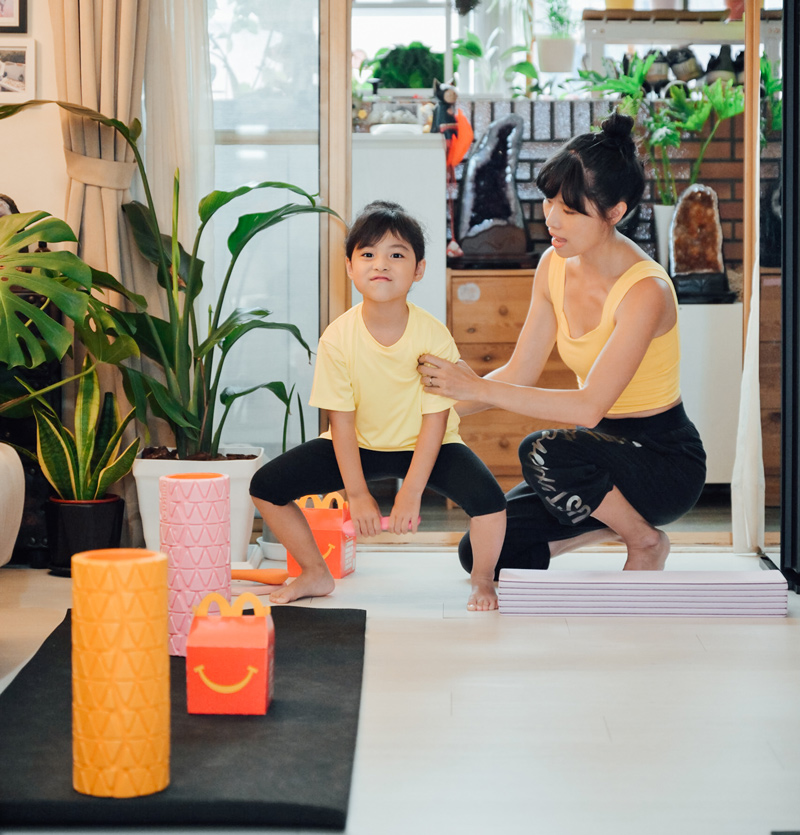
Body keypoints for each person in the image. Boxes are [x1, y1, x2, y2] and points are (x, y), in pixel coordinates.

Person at [417, 112, 706, 576]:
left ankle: (643, 539)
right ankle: (605, 525)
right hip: (588, 456)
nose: (552, 217)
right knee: (482, 553)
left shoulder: (644, 290)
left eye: (570, 210)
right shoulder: (553, 263)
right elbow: (519, 372)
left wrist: (476, 387)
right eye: (550, 200)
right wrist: (427, 418)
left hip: (660, 461)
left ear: (616, 212)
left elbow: (589, 408)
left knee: (543, 450)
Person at [250, 200, 507, 609]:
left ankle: (483, 580)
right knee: (265, 487)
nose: (380, 264)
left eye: (396, 254)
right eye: (367, 254)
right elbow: (342, 422)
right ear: (350, 267)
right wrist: (357, 493)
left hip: (427, 446)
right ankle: (315, 572)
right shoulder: (337, 338)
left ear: (419, 269)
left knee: (491, 504)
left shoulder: (433, 335)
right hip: (356, 445)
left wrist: (412, 492)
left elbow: (435, 422)